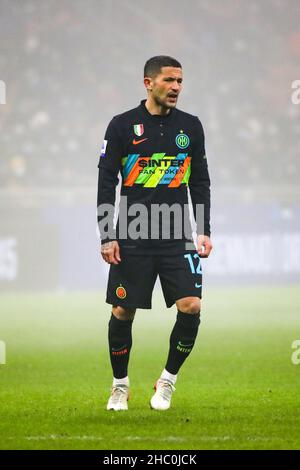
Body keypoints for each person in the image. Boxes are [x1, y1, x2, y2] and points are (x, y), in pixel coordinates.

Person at [97, 55, 212, 411]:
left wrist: (203, 229)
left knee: (191, 306)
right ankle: (120, 386)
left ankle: (167, 381)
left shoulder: (190, 127)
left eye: (180, 81)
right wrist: (106, 234)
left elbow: (200, 181)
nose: (176, 87)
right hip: (132, 235)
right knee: (123, 311)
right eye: (169, 80)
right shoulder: (121, 126)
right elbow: (106, 180)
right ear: (149, 83)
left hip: (177, 235)